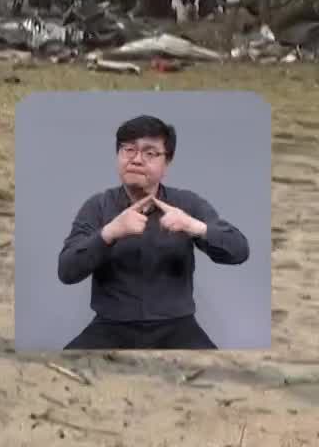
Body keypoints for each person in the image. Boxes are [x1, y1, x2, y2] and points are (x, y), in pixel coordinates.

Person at [56, 115, 249, 350]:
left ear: (167, 162)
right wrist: (110, 232)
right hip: (110, 327)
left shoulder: (187, 203)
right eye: (128, 150)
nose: (136, 159)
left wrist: (194, 226)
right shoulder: (97, 206)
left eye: (150, 153)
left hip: (178, 328)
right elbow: (66, 271)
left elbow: (239, 250)